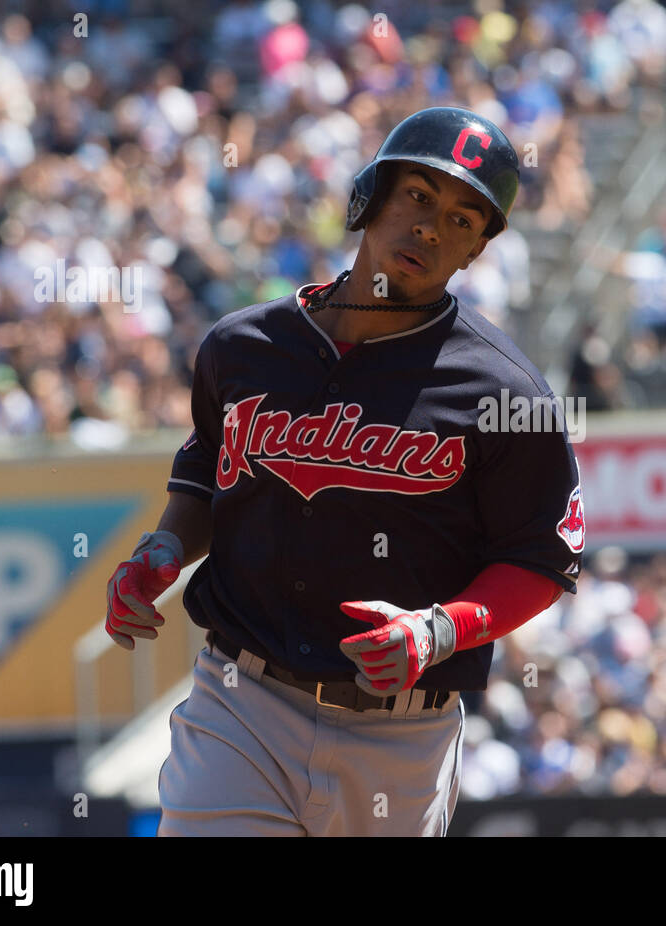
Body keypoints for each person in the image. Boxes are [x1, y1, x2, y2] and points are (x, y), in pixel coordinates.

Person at [103, 107, 585, 836]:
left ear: (477, 250)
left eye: (461, 219)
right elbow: (207, 470)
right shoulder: (243, 347)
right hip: (242, 703)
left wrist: (439, 631)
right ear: (371, 196)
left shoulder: (506, 394)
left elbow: (540, 560)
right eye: (418, 196)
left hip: (402, 739)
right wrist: (162, 549)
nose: (430, 226)